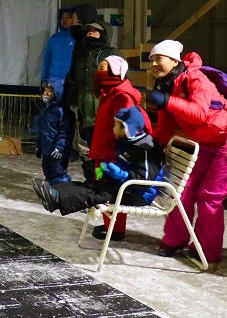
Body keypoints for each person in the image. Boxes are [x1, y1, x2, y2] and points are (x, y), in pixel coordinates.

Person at [147, 40, 227, 269]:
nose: (154, 65)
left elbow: (198, 114)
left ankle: (206, 250)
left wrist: (168, 101)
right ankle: (175, 239)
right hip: (210, 142)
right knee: (183, 189)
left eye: (158, 59)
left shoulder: (195, 79)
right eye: (152, 61)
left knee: (209, 196)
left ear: (174, 61)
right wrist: (147, 145)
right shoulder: (167, 86)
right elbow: (166, 128)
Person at [33, 106, 163, 217]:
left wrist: (121, 174)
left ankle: (56, 197)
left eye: (116, 126)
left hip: (139, 194)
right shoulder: (129, 143)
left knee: (96, 193)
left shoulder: (146, 148)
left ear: (127, 129)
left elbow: (144, 180)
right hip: (127, 187)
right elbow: (125, 166)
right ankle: (54, 192)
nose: (113, 129)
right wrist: (105, 172)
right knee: (90, 185)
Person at [86, 55, 153, 241]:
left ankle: (115, 229)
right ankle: (111, 225)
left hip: (111, 154)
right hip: (103, 151)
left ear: (115, 72)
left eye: (102, 68)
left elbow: (127, 127)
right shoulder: (109, 93)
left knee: (108, 189)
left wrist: (118, 152)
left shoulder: (121, 96)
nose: (98, 72)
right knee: (102, 186)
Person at [66, 20, 117, 147]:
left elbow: (122, 81)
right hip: (84, 113)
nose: (90, 33)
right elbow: (72, 78)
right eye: (89, 31)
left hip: (104, 113)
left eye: (95, 31)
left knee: (105, 149)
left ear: (104, 34)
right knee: (91, 148)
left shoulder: (111, 53)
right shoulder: (81, 54)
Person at [33, 78, 74, 185]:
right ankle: (50, 185)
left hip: (57, 151)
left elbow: (64, 132)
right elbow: (41, 131)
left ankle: (61, 187)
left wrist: (60, 148)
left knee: (58, 171)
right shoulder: (44, 110)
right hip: (47, 149)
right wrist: (39, 146)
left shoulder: (62, 111)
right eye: (45, 90)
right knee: (47, 168)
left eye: (50, 91)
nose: (46, 93)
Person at [40, 8, 76, 83]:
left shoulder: (77, 39)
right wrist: (43, 80)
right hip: (52, 82)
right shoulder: (53, 39)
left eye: (67, 17)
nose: (64, 20)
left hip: (69, 83)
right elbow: (46, 61)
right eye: (62, 18)